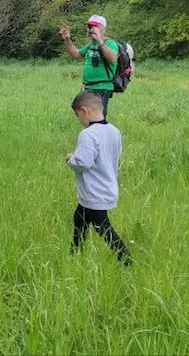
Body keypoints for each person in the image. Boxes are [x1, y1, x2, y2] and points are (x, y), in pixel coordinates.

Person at [66, 91, 131, 265]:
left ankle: (126, 261)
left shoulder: (88, 134)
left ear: (84, 111)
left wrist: (70, 159)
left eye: (78, 115)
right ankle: (74, 254)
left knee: (104, 228)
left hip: (94, 192)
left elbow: (82, 163)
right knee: (79, 218)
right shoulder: (113, 131)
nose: (79, 120)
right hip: (106, 188)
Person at [58, 15, 119, 116]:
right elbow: (76, 54)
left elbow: (113, 59)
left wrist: (100, 42)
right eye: (89, 27)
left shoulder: (110, 43)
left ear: (103, 29)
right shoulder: (91, 46)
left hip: (102, 87)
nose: (91, 29)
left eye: (95, 26)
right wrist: (67, 40)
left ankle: (103, 131)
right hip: (89, 87)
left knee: (97, 116)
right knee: (85, 113)